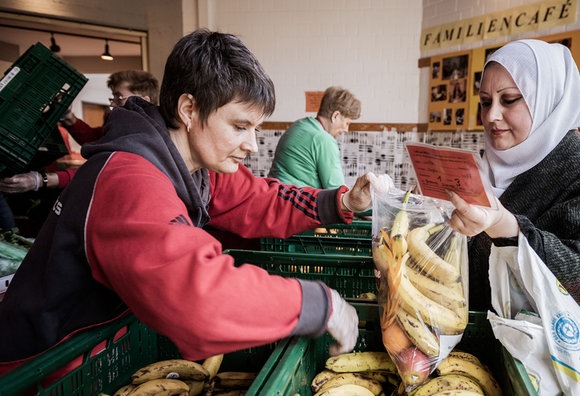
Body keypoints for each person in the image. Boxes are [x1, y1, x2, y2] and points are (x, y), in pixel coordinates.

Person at [0, 29, 380, 375]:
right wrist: (316, 303)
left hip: (95, 351)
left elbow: (259, 198)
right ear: (188, 109)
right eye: (239, 126)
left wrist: (342, 201)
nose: (252, 144)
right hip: (40, 368)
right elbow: (198, 294)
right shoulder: (128, 180)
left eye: (256, 129)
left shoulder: (196, 167)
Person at [446, 39, 580, 394]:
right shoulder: (486, 171)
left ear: (547, 99)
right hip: (501, 366)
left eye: (509, 100)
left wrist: (506, 227)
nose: (492, 115)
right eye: (485, 102)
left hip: (579, 375)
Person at [0, 70, 160, 193]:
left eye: (120, 97)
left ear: (144, 101)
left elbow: (100, 171)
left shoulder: (142, 138)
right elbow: (97, 138)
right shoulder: (122, 127)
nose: (113, 105)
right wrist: (68, 117)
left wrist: (41, 180)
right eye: (113, 98)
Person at [268, 86, 361, 189]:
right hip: (295, 202)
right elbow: (337, 191)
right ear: (336, 116)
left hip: (275, 195)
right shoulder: (324, 140)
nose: (346, 130)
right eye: (347, 123)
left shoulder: (298, 125)